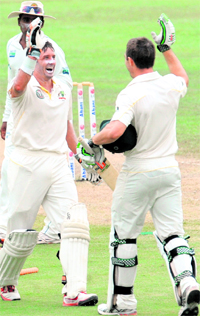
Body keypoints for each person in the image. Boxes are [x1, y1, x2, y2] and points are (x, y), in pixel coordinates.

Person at [78, 14, 200, 316]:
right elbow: (182, 76)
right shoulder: (171, 85)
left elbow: (116, 131)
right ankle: (187, 284)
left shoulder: (132, 92)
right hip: (168, 172)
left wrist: (95, 140)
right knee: (173, 235)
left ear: (130, 61)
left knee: (123, 236)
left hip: (138, 173)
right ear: (150, 58)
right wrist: (167, 48)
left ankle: (123, 303)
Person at [0, 18, 100, 305]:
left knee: (74, 223)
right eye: (45, 56)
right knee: (19, 232)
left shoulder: (62, 88)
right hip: (25, 163)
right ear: (34, 60)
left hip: (57, 164)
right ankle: (6, 282)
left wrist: (80, 154)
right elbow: (16, 88)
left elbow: (66, 125)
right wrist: (30, 54)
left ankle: (74, 290)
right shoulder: (24, 86)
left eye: (53, 56)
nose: (51, 60)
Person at [0, 1, 72, 244]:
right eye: (24, 18)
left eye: (34, 20)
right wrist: (7, 116)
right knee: (8, 169)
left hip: (45, 115)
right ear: (19, 20)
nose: (28, 23)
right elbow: (14, 83)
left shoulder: (52, 49)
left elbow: (65, 85)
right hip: (20, 114)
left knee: (50, 173)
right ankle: (4, 229)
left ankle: (52, 230)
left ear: (40, 22)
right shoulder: (11, 44)